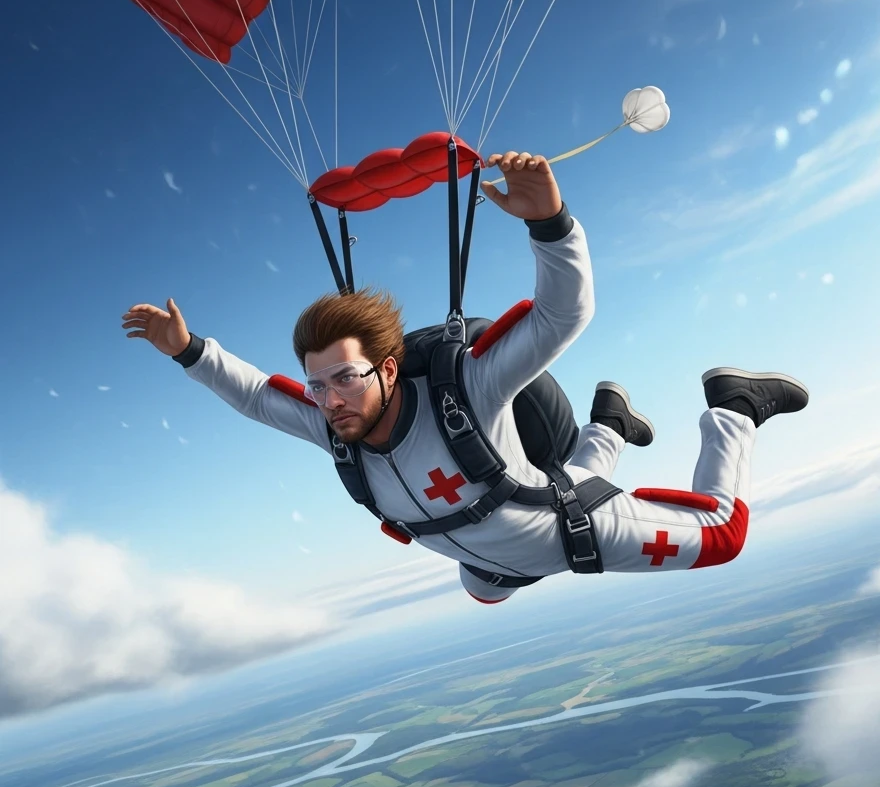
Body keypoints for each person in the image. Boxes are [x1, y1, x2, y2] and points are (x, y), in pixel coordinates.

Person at [122, 150, 808, 604]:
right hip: (488, 553)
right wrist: (189, 350)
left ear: (390, 370)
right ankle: (610, 424)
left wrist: (550, 223)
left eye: (345, 379)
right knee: (484, 592)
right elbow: (253, 397)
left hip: (560, 533)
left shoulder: (466, 390)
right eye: (318, 386)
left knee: (722, 537)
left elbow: (562, 314)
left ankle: (734, 408)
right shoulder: (340, 427)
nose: (329, 401)